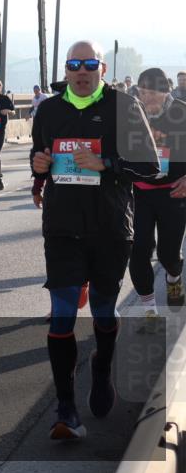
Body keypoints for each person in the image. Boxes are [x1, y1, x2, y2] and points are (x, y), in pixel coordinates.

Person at [30, 41, 160, 440]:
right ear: (66, 70)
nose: (81, 71)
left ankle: (102, 367)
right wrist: (39, 167)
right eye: (74, 65)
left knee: (104, 311)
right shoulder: (49, 109)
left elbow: (150, 167)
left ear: (102, 68)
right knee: (63, 312)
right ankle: (65, 408)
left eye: (89, 64)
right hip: (62, 228)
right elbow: (42, 156)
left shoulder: (124, 107)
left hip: (110, 229)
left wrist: (106, 163)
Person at [128, 68, 186, 322]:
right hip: (140, 193)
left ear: (165, 91)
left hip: (174, 192)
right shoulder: (132, 114)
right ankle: (149, 309)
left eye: (152, 93)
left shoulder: (181, 112)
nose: (147, 99)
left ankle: (174, 277)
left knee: (168, 254)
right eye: (142, 93)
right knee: (139, 250)